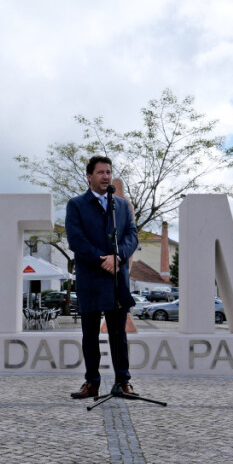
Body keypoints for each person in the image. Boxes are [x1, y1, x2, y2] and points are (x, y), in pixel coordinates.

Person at [65, 156, 139, 399]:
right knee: (90, 336)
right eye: (100, 172)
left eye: (108, 172)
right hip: (91, 279)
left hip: (117, 279)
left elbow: (131, 235)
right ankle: (92, 383)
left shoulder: (121, 205)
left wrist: (118, 257)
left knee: (119, 335)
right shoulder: (76, 205)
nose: (106, 176)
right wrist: (103, 260)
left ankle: (123, 382)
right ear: (89, 176)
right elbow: (76, 240)